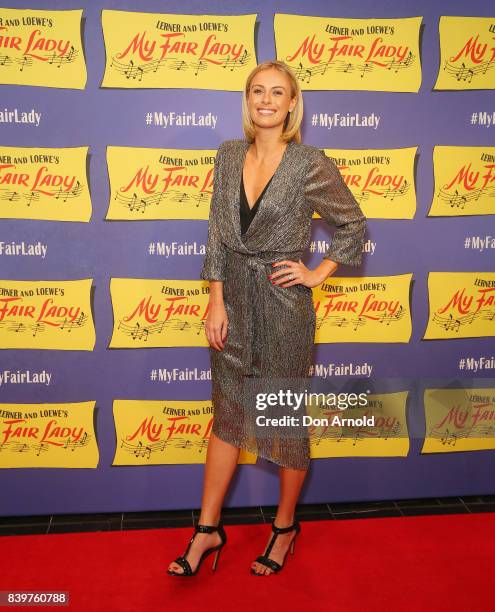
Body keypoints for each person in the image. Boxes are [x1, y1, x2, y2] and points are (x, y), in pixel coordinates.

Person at [167, 60, 367, 577]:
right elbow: (215, 232)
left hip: (283, 310)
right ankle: (207, 531)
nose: (267, 100)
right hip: (232, 305)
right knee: (227, 419)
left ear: (293, 103)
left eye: (278, 92)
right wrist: (215, 299)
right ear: (248, 99)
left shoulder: (309, 163)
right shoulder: (229, 154)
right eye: (258, 90)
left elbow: (353, 224)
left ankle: (283, 528)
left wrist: (317, 273)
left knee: (282, 421)